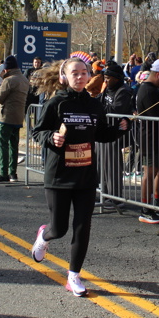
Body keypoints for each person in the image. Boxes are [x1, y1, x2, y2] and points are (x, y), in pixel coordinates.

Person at [28, 57, 128, 296]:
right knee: (59, 228)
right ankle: (44, 235)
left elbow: (100, 134)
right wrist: (52, 137)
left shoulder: (94, 104)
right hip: (59, 175)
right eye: (75, 73)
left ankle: (74, 276)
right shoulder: (56, 103)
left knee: (83, 227)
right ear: (64, 77)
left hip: (86, 175)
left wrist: (119, 130)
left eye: (84, 72)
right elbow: (37, 131)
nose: (81, 77)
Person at [135, 58, 159, 223]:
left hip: (157, 138)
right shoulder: (148, 90)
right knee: (150, 173)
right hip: (151, 139)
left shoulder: (151, 89)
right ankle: (145, 209)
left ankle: (157, 203)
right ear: (158, 75)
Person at [99, 61, 136, 209]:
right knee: (103, 165)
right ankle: (105, 193)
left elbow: (116, 110)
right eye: (105, 78)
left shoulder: (123, 91)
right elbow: (99, 102)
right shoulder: (106, 89)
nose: (106, 81)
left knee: (112, 166)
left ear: (116, 78)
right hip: (105, 131)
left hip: (117, 133)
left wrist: (99, 109)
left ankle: (115, 197)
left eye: (108, 78)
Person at [0, 55, 29, 183]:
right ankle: (13, 173)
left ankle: (3, 173)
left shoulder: (9, 80)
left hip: (6, 116)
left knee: (3, 145)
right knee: (14, 146)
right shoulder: (24, 79)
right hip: (18, 116)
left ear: (7, 69)